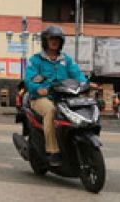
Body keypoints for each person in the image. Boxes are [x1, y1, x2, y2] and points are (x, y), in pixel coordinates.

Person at [25, 25, 94, 167]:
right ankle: (53, 151)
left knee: (81, 107)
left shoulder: (66, 60)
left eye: (57, 39)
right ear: (45, 41)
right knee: (51, 111)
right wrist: (38, 89)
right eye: (51, 39)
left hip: (63, 97)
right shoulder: (36, 60)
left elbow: (77, 74)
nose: (54, 42)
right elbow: (29, 79)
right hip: (41, 99)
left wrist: (86, 83)